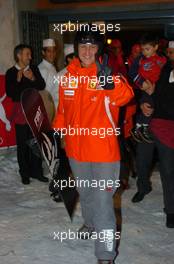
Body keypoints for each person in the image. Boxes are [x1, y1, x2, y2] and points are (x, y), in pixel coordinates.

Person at [53, 28, 134, 264]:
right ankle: (89, 223)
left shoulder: (108, 76)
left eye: (92, 46)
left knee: (103, 203)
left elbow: (125, 96)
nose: (87, 51)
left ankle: (106, 254)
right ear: (77, 50)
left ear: (98, 50)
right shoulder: (67, 77)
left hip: (103, 154)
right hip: (76, 152)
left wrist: (109, 83)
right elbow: (62, 112)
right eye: (83, 46)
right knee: (86, 193)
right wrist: (55, 136)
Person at [131, 41, 174, 229]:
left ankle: (171, 210)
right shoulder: (160, 69)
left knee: (168, 170)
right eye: (171, 52)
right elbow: (145, 88)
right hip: (147, 123)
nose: (172, 55)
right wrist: (142, 103)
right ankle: (143, 187)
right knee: (142, 159)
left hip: (168, 128)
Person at [5, 44, 48, 184]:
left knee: (35, 141)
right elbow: (12, 94)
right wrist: (18, 80)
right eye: (27, 54)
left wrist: (33, 78)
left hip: (34, 109)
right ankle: (24, 173)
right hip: (20, 112)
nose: (30, 57)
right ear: (19, 55)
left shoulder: (33, 69)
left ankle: (37, 172)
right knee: (23, 144)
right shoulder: (11, 72)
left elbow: (41, 85)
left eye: (30, 54)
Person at [129, 34, 166, 143]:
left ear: (156, 47)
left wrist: (158, 87)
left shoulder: (162, 59)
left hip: (157, 90)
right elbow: (131, 72)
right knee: (148, 108)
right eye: (143, 49)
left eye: (147, 49)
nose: (145, 52)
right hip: (145, 88)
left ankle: (141, 127)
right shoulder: (140, 59)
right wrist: (142, 83)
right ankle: (140, 127)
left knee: (152, 107)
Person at [38, 39, 58, 107]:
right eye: (49, 51)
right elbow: (41, 94)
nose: (52, 54)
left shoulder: (52, 67)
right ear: (43, 52)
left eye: (54, 51)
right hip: (49, 107)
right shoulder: (42, 69)